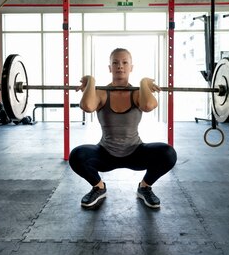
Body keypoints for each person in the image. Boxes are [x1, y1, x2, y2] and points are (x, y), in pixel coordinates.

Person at [69, 48, 177, 210]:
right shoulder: (102, 92)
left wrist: (143, 83)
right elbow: (87, 106)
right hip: (105, 153)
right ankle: (98, 187)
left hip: (136, 152)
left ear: (131, 67)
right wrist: (91, 81)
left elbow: (149, 105)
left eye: (125, 62)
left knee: (168, 154)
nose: (120, 66)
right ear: (110, 68)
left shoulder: (137, 93)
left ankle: (145, 187)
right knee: (77, 155)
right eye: (115, 62)